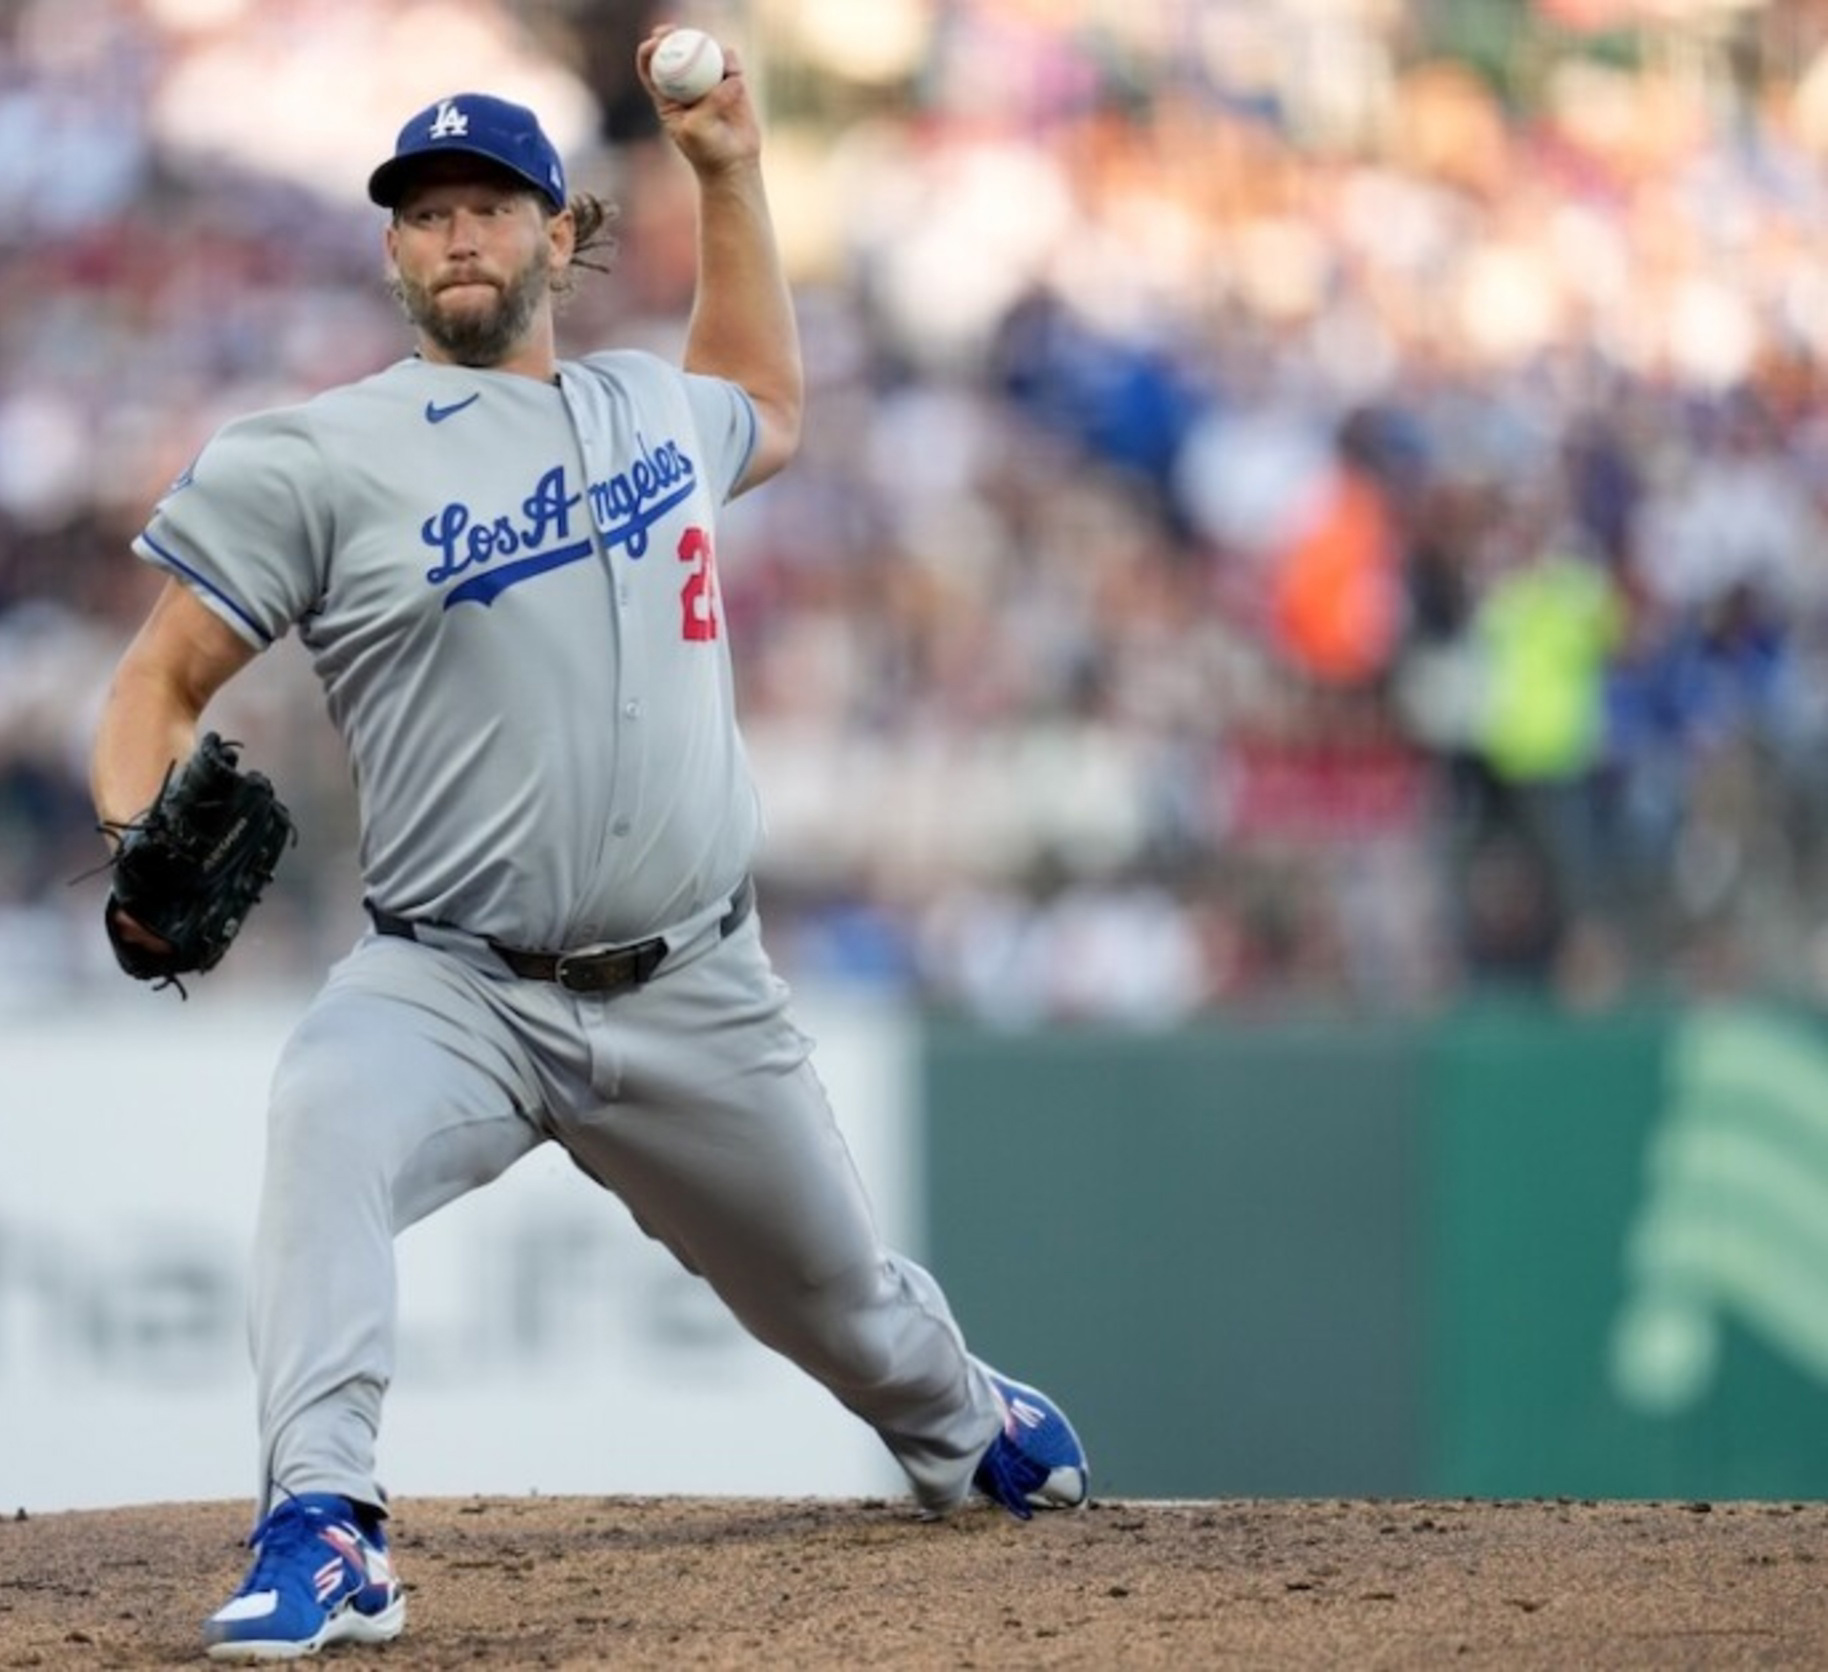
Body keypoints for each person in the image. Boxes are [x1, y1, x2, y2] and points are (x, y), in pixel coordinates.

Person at [88, 29, 1091, 1663]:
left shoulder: (647, 413)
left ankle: (963, 1413)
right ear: (396, 251)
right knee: (323, 1117)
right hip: (451, 987)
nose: (458, 233)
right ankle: (322, 1522)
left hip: (695, 989)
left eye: (491, 204)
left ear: (563, 236)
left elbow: (764, 395)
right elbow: (158, 680)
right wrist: (138, 833)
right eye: (424, 213)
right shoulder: (322, 455)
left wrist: (731, 171)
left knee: (844, 1310)